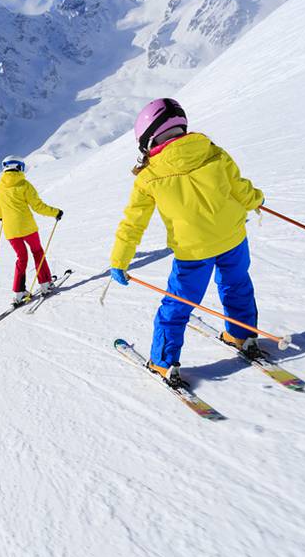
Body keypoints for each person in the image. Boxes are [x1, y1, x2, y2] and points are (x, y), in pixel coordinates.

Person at [109, 98, 265, 387]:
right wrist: (257, 200)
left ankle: (163, 362)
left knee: (178, 304)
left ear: (147, 140)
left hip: (193, 253)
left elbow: (133, 223)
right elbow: (239, 188)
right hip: (233, 239)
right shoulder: (213, 152)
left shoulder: (149, 178)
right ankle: (242, 335)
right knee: (237, 284)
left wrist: (119, 261)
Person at [0, 155, 64, 305]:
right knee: (37, 252)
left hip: (10, 231)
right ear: (19, 167)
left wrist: (2, 218)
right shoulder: (24, 185)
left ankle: (19, 292)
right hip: (27, 228)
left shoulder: (0, 188)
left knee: (21, 258)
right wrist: (55, 212)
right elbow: (38, 206)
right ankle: (45, 284)